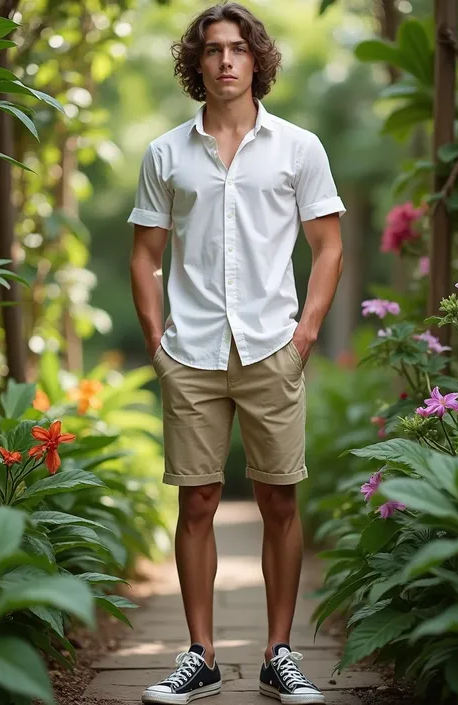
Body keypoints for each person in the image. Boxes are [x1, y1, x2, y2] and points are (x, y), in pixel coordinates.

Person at [128, 2, 345, 703]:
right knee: (198, 500)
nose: (226, 60)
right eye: (213, 49)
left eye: (239, 48)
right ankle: (202, 655)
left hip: (271, 344)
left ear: (258, 60)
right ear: (196, 64)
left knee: (280, 497)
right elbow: (145, 254)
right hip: (190, 351)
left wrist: (305, 332)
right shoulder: (165, 153)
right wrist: (156, 340)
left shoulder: (298, 148)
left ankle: (280, 653)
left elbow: (328, 245)